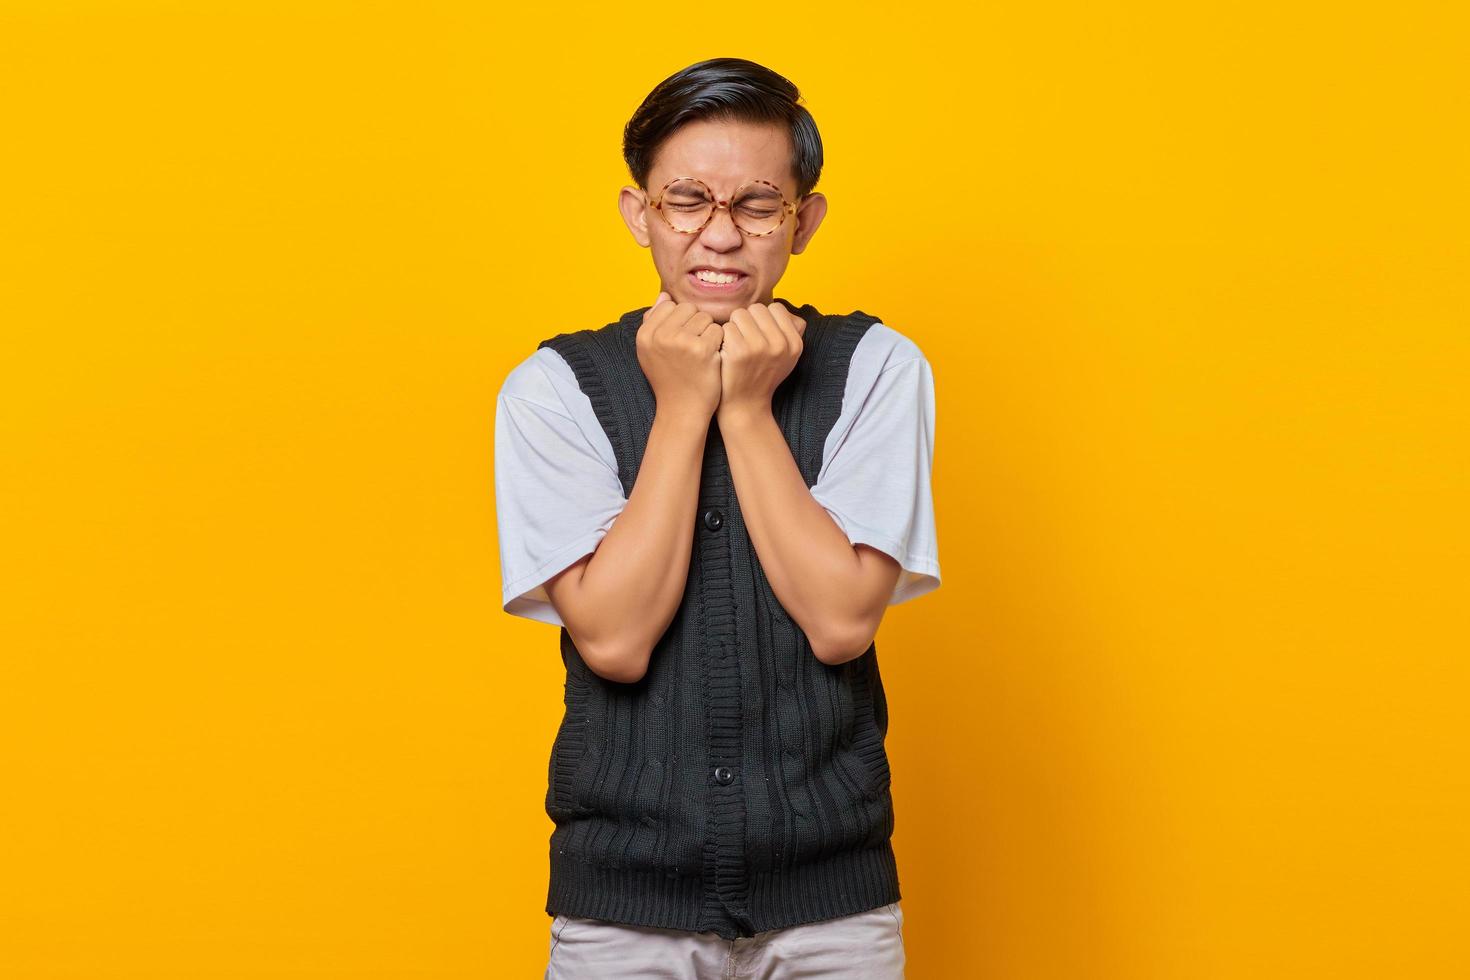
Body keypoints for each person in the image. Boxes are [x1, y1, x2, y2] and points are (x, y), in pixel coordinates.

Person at [494, 57, 940, 979]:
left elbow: (841, 619)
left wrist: (744, 409)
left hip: (834, 907)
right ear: (638, 213)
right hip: (623, 907)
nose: (720, 237)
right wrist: (684, 405)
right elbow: (614, 638)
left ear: (804, 221)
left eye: (757, 205)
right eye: (687, 200)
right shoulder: (553, 389)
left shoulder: (877, 368)